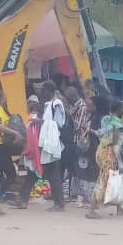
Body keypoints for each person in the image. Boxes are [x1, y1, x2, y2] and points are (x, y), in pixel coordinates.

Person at [86, 97, 123, 219]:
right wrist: (120, 162)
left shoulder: (105, 119)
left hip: (101, 150)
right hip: (109, 152)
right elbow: (115, 144)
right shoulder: (118, 124)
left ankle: (119, 207)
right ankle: (91, 209)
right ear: (119, 109)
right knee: (104, 180)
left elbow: (99, 133)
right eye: (122, 108)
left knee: (114, 177)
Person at [11, 95, 44, 208]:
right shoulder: (32, 117)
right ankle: (22, 199)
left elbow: (33, 136)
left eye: (30, 103)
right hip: (31, 150)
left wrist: (31, 150)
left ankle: (22, 200)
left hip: (32, 150)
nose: (29, 105)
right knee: (31, 176)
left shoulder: (34, 118)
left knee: (31, 176)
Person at [39, 80, 66, 211]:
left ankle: (59, 203)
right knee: (50, 173)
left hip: (53, 143)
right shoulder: (48, 105)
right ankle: (57, 202)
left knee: (54, 174)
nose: (41, 92)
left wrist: (43, 122)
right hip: (48, 143)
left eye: (43, 90)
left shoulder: (56, 105)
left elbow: (59, 124)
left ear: (49, 91)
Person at [65, 86, 90, 200]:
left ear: (73, 97)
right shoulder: (74, 106)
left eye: (68, 98)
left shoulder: (82, 107)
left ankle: (78, 193)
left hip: (78, 142)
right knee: (71, 167)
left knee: (76, 168)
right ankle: (72, 192)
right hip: (72, 141)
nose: (67, 100)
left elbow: (77, 126)